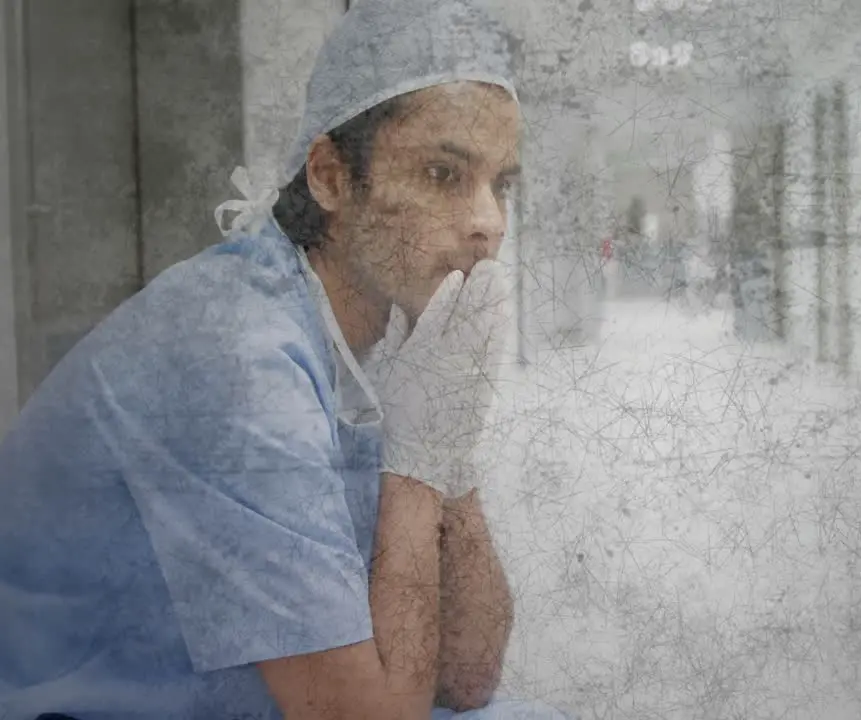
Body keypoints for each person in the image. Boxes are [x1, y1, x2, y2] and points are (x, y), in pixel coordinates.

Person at [0, 1, 572, 718]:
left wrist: (446, 449)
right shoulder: (236, 350)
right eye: (441, 173)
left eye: (503, 184)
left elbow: (466, 677)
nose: (489, 222)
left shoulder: (385, 333)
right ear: (330, 176)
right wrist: (419, 459)